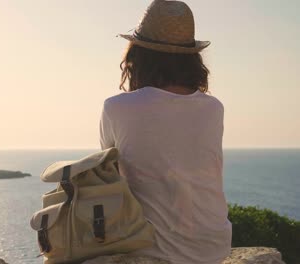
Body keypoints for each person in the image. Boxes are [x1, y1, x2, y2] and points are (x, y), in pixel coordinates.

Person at [99, 0, 232, 263]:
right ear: (192, 59)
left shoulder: (117, 108)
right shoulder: (213, 108)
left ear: (137, 55)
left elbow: (109, 177)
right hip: (213, 247)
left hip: (152, 251)